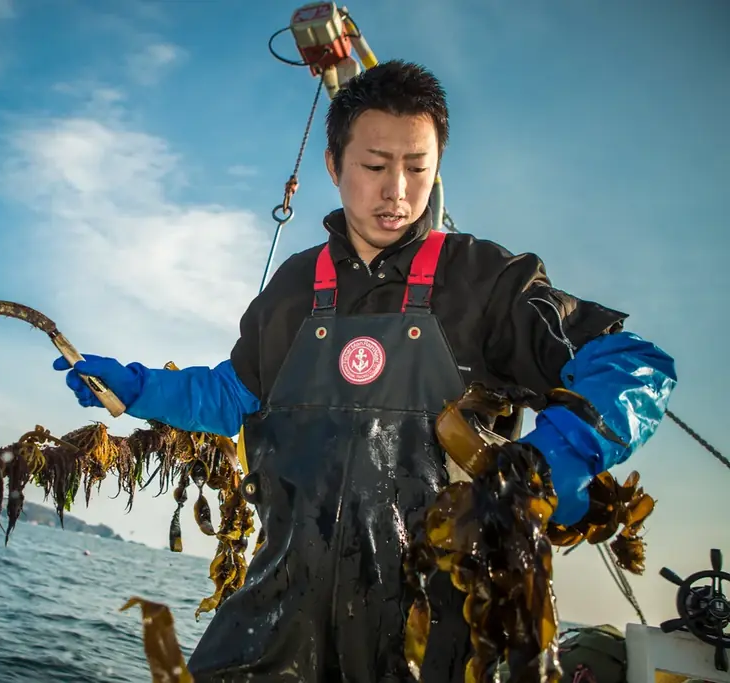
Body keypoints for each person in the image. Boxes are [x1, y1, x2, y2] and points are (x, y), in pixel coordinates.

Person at [52, 60, 677, 683]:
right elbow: (232, 394)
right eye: (375, 167)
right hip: (275, 615)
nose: (397, 192)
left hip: (433, 634)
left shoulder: (486, 281)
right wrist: (138, 387)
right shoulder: (295, 285)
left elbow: (635, 363)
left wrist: (559, 452)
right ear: (334, 164)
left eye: (418, 169)